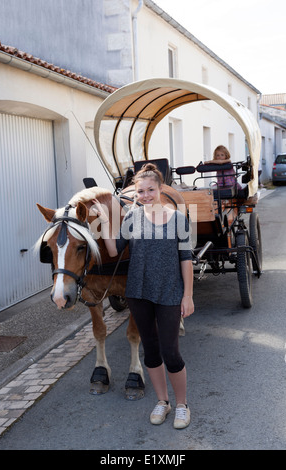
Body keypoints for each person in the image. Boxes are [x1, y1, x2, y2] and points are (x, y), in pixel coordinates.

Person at [92, 163, 194, 429]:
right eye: (140, 191)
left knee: (171, 352)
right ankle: (163, 402)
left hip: (169, 292)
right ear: (135, 193)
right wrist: (104, 222)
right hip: (138, 293)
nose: (146, 195)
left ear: (161, 189)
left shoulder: (178, 219)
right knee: (150, 351)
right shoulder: (131, 218)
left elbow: (185, 260)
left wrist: (188, 297)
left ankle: (181, 404)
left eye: (150, 190)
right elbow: (114, 252)